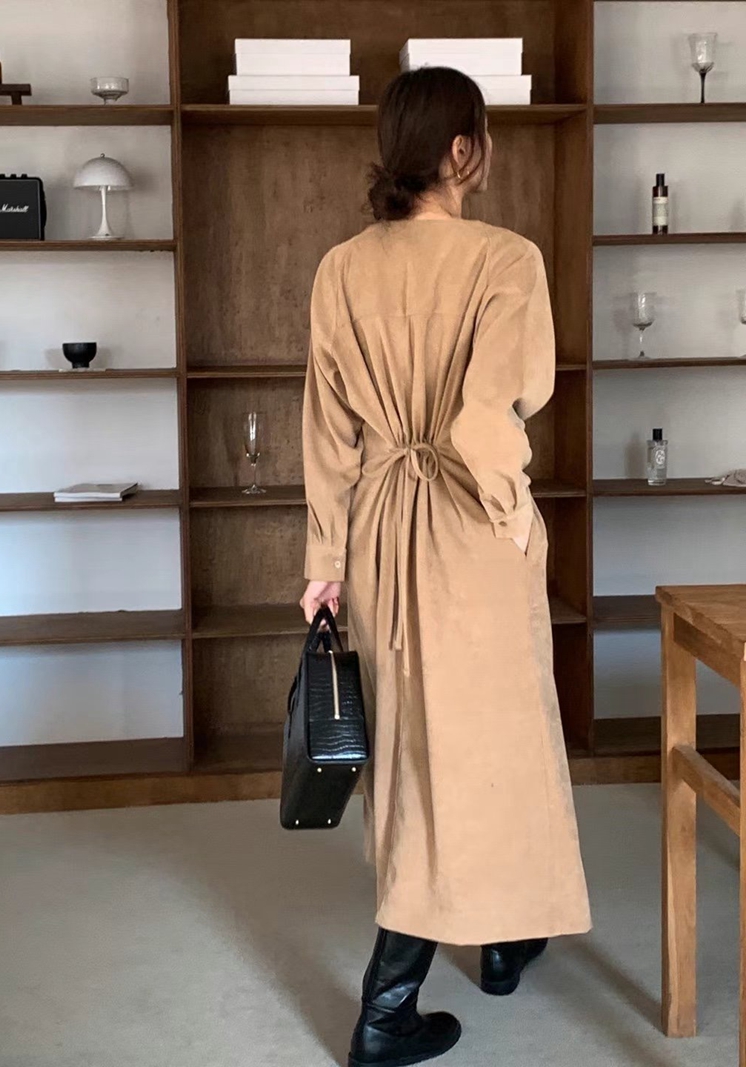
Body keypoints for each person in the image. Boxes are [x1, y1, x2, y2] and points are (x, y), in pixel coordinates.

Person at [299, 67, 591, 1067]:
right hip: (469, 524)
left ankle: (504, 935)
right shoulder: (505, 258)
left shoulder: (340, 268)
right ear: (464, 150)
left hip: (381, 526)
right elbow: (485, 418)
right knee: (495, 740)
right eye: (484, 135)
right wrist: (511, 513)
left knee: (414, 747)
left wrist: (325, 556)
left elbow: (327, 429)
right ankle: (387, 1009)